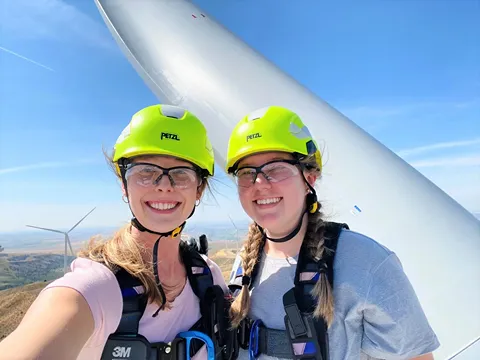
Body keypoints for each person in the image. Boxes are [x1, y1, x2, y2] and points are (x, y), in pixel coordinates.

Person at [0, 104, 231, 360]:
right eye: (146, 172)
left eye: (181, 174)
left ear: (198, 189)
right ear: (124, 184)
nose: (164, 185)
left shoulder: (208, 276)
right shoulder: (95, 289)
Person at [225, 106, 440, 360]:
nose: (259, 183)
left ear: (310, 178)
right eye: (247, 173)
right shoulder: (245, 263)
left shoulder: (366, 262)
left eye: (276, 168)